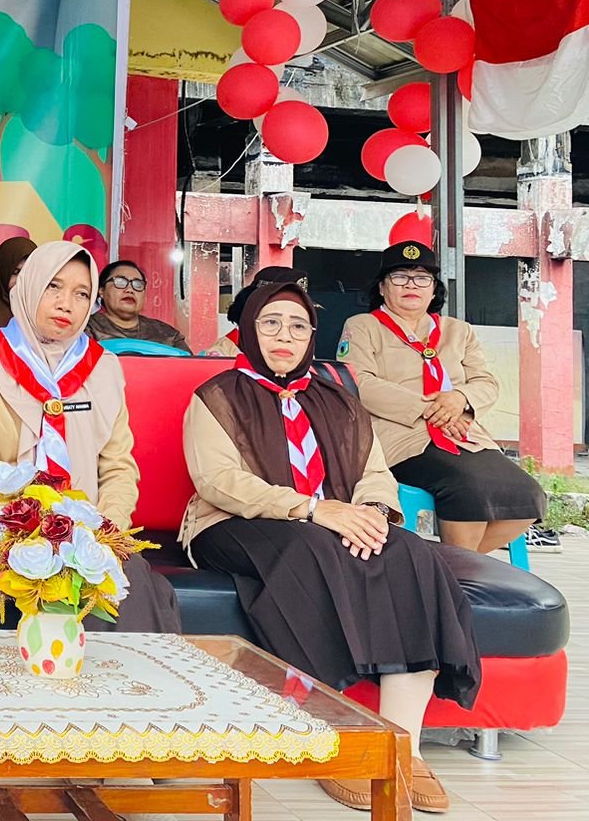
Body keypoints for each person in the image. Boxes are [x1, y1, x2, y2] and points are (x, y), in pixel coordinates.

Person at [181, 280, 480, 813]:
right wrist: (314, 509)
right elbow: (218, 482)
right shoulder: (217, 396)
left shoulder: (338, 398)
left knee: (411, 554)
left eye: (298, 326)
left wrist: (374, 516)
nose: (285, 336)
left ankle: (402, 746)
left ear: (311, 337)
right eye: (271, 323)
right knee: (308, 552)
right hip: (234, 522)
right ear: (248, 330)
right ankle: (333, 740)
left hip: (335, 521)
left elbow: (374, 472)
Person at [0, 240, 182, 632]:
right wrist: (31, 531)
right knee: (68, 582)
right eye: (53, 287)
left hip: (88, 530)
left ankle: (129, 674)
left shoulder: (104, 367)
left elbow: (119, 468)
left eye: (81, 294)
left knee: (137, 581)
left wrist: (106, 531)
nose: (66, 304)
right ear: (29, 286)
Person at [338, 243, 543, 554]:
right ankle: (459, 571)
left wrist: (459, 398)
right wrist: (432, 409)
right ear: (381, 287)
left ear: (434, 289)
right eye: (400, 277)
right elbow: (358, 382)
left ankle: (449, 566)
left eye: (422, 278)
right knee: (467, 487)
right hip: (403, 437)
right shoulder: (363, 326)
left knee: (527, 495)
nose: (411, 285)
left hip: (463, 435)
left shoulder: (459, 331)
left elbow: (486, 382)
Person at [203, 267, 309, 357]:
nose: (285, 336)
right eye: (272, 321)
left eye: (298, 325)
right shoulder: (222, 355)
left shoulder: (298, 354)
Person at [86, 260, 190, 350]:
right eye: (120, 282)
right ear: (101, 291)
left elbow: (189, 364)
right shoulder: (86, 329)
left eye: (137, 284)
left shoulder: (168, 335)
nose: (130, 290)